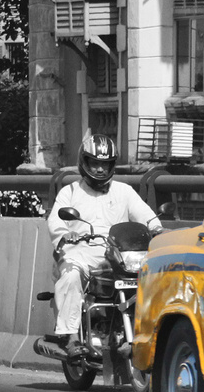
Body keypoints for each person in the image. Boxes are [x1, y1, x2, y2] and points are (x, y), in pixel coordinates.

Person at [43, 132, 162, 355]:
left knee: (151, 279)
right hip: (79, 255)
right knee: (70, 276)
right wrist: (63, 236)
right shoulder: (70, 192)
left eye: (104, 164)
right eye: (94, 163)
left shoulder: (124, 191)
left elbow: (146, 216)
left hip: (116, 257)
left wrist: (156, 229)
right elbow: (56, 221)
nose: (99, 169)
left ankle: (139, 331)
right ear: (84, 163)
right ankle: (69, 337)